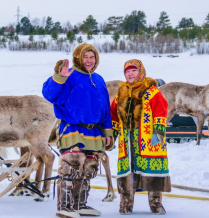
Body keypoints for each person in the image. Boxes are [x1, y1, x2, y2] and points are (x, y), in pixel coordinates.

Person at [42, 43, 113, 218]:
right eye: (85, 57)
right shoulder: (70, 76)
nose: (89, 60)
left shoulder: (99, 79)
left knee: (89, 168)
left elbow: (106, 109)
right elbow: (49, 94)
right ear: (78, 58)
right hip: (73, 128)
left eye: (92, 57)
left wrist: (108, 131)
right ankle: (64, 207)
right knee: (71, 167)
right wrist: (59, 77)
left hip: (94, 131)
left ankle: (79, 205)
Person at [110, 59, 171, 215]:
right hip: (128, 141)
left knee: (151, 170)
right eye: (127, 71)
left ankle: (156, 203)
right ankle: (126, 204)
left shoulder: (152, 92)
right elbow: (113, 115)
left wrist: (158, 132)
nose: (130, 74)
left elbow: (161, 111)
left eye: (133, 70)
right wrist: (111, 135)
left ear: (141, 71)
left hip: (148, 140)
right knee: (128, 171)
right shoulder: (121, 93)